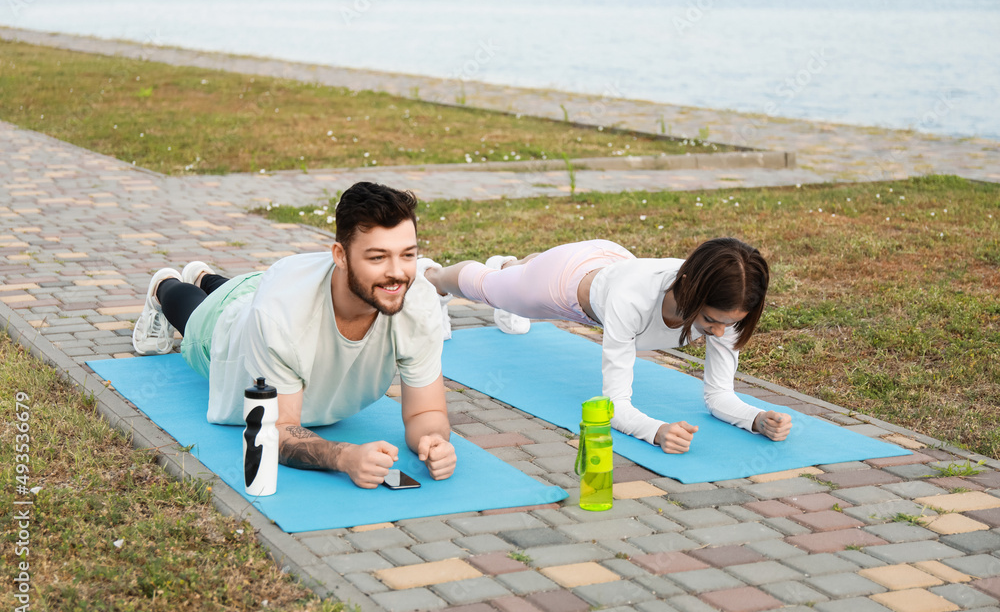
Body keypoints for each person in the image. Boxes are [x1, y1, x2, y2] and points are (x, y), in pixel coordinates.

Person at [132, 181, 457, 488]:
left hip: (276, 287)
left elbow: (425, 412)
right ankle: (164, 286)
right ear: (340, 256)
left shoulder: (416, 300)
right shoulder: (280, 315)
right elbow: (280, 429)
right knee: (193, 316)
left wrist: (434, 440)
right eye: (377, 257)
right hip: (229, 323)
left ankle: (203, 274)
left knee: (230, 289)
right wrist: (345, 457)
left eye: (408, 255)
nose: (397, 273)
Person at [420, 238, 792, 454]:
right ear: (689, 290)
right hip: (562, 282)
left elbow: (719, 396)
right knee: (489, 290)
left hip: (611, 267)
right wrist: (656, 431)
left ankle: (517, 267)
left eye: (730, 323)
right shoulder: (632, 300)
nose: (718, 332)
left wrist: (755, 419)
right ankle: (433, 277)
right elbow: (614, 407)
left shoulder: (726, 307)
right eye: (711, 321)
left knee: (516, 281)